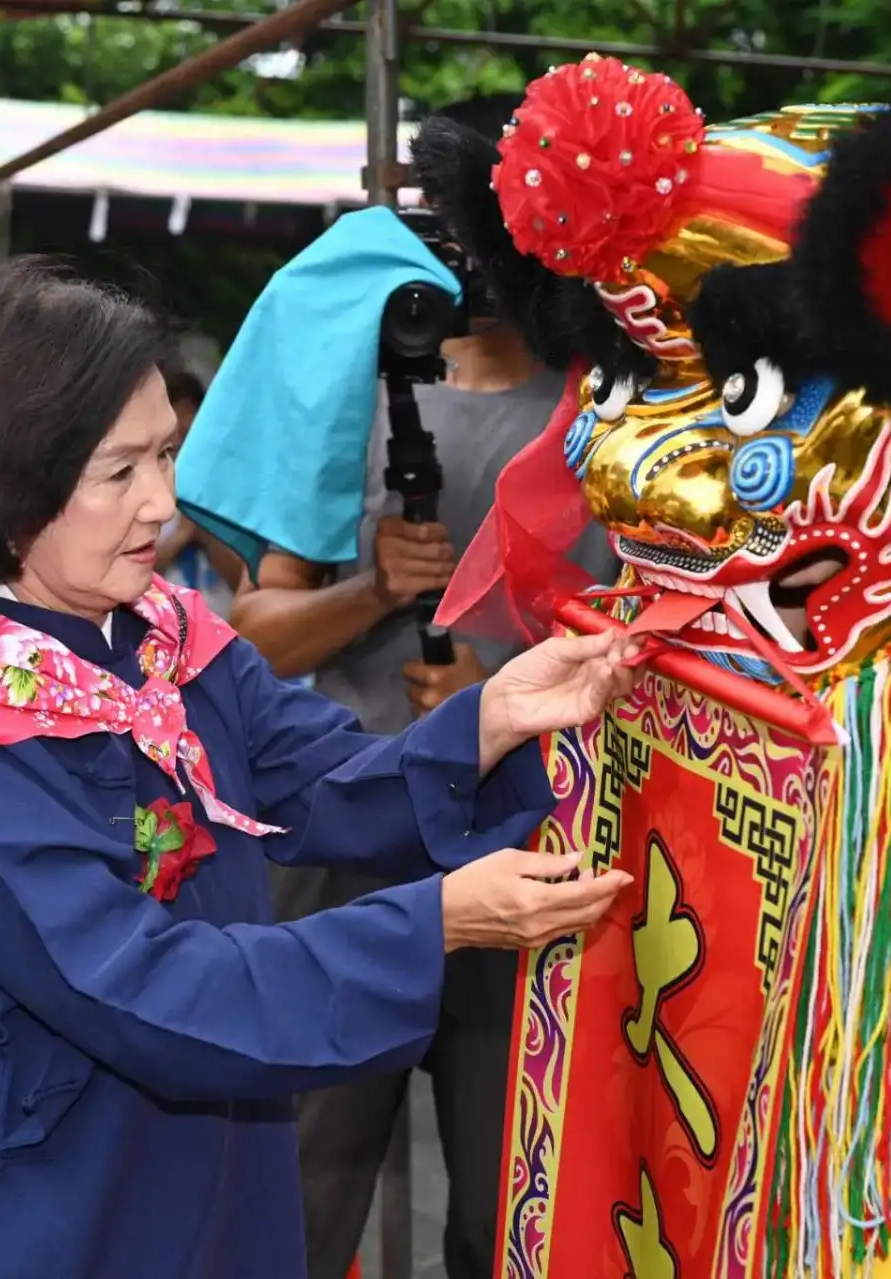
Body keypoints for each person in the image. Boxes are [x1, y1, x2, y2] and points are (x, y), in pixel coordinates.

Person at [0, 258, 640, 1279]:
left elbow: (320, 780)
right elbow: (155, 988)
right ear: (7, 476)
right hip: (44, 1207)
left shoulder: (161, 638)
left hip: (203, 1168)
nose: (161, 504)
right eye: (117, 471)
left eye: (166, 455)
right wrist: (435, 920)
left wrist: (491, 716)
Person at [227, 94, 619, 1279]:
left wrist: (489, 694)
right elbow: (253, 637)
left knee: (514, 1187)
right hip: (341, 828)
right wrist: (373, 591)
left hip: (532, 835)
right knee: (307, 1164)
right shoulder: (355, 397)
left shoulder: (611, 416)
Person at [153, 363, 244, 595]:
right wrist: (181, 536)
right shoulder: (140, 492)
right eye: (175, 415)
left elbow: (247, 586)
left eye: (189, 416)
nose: (182, 430)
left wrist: (205, 533)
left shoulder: (231, 488)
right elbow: (127, 583)